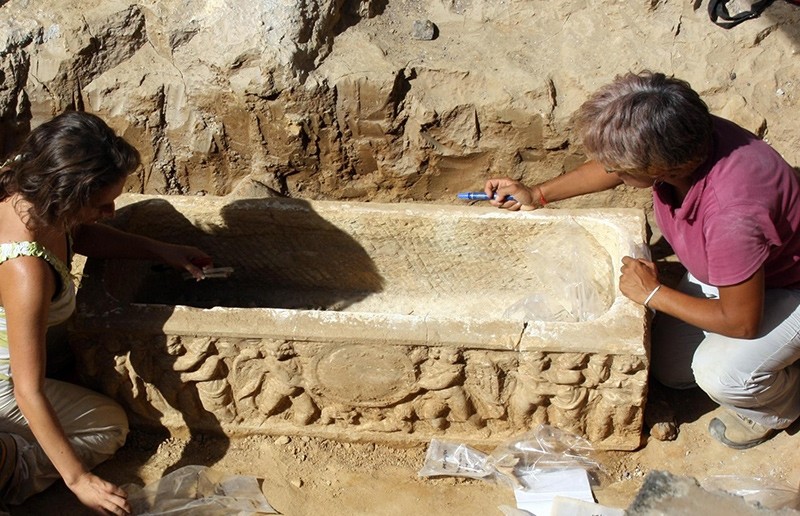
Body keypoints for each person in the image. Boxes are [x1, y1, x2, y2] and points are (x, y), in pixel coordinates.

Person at [483, 71, 800, 450]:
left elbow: (742, 322)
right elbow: (617, 164)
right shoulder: (683, 130)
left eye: (619, 169)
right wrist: (537, 193)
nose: (611, 172)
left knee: (721, 375)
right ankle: (771, 362)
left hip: (786, 287)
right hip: (742, 270)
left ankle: (779, 406)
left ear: (658, 171)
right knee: (671, 368)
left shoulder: (733, 213)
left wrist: (653, 294)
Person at [0, 111, 213, 514]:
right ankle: (11, 462)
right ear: (66, 197)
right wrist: (80, 480)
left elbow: (78, 234)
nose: (112, 211)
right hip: (4, 386)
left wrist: (160, 250)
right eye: (102, 205)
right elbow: (27, 390)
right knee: (109, 425)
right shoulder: (25, 271)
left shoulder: (25, 186)